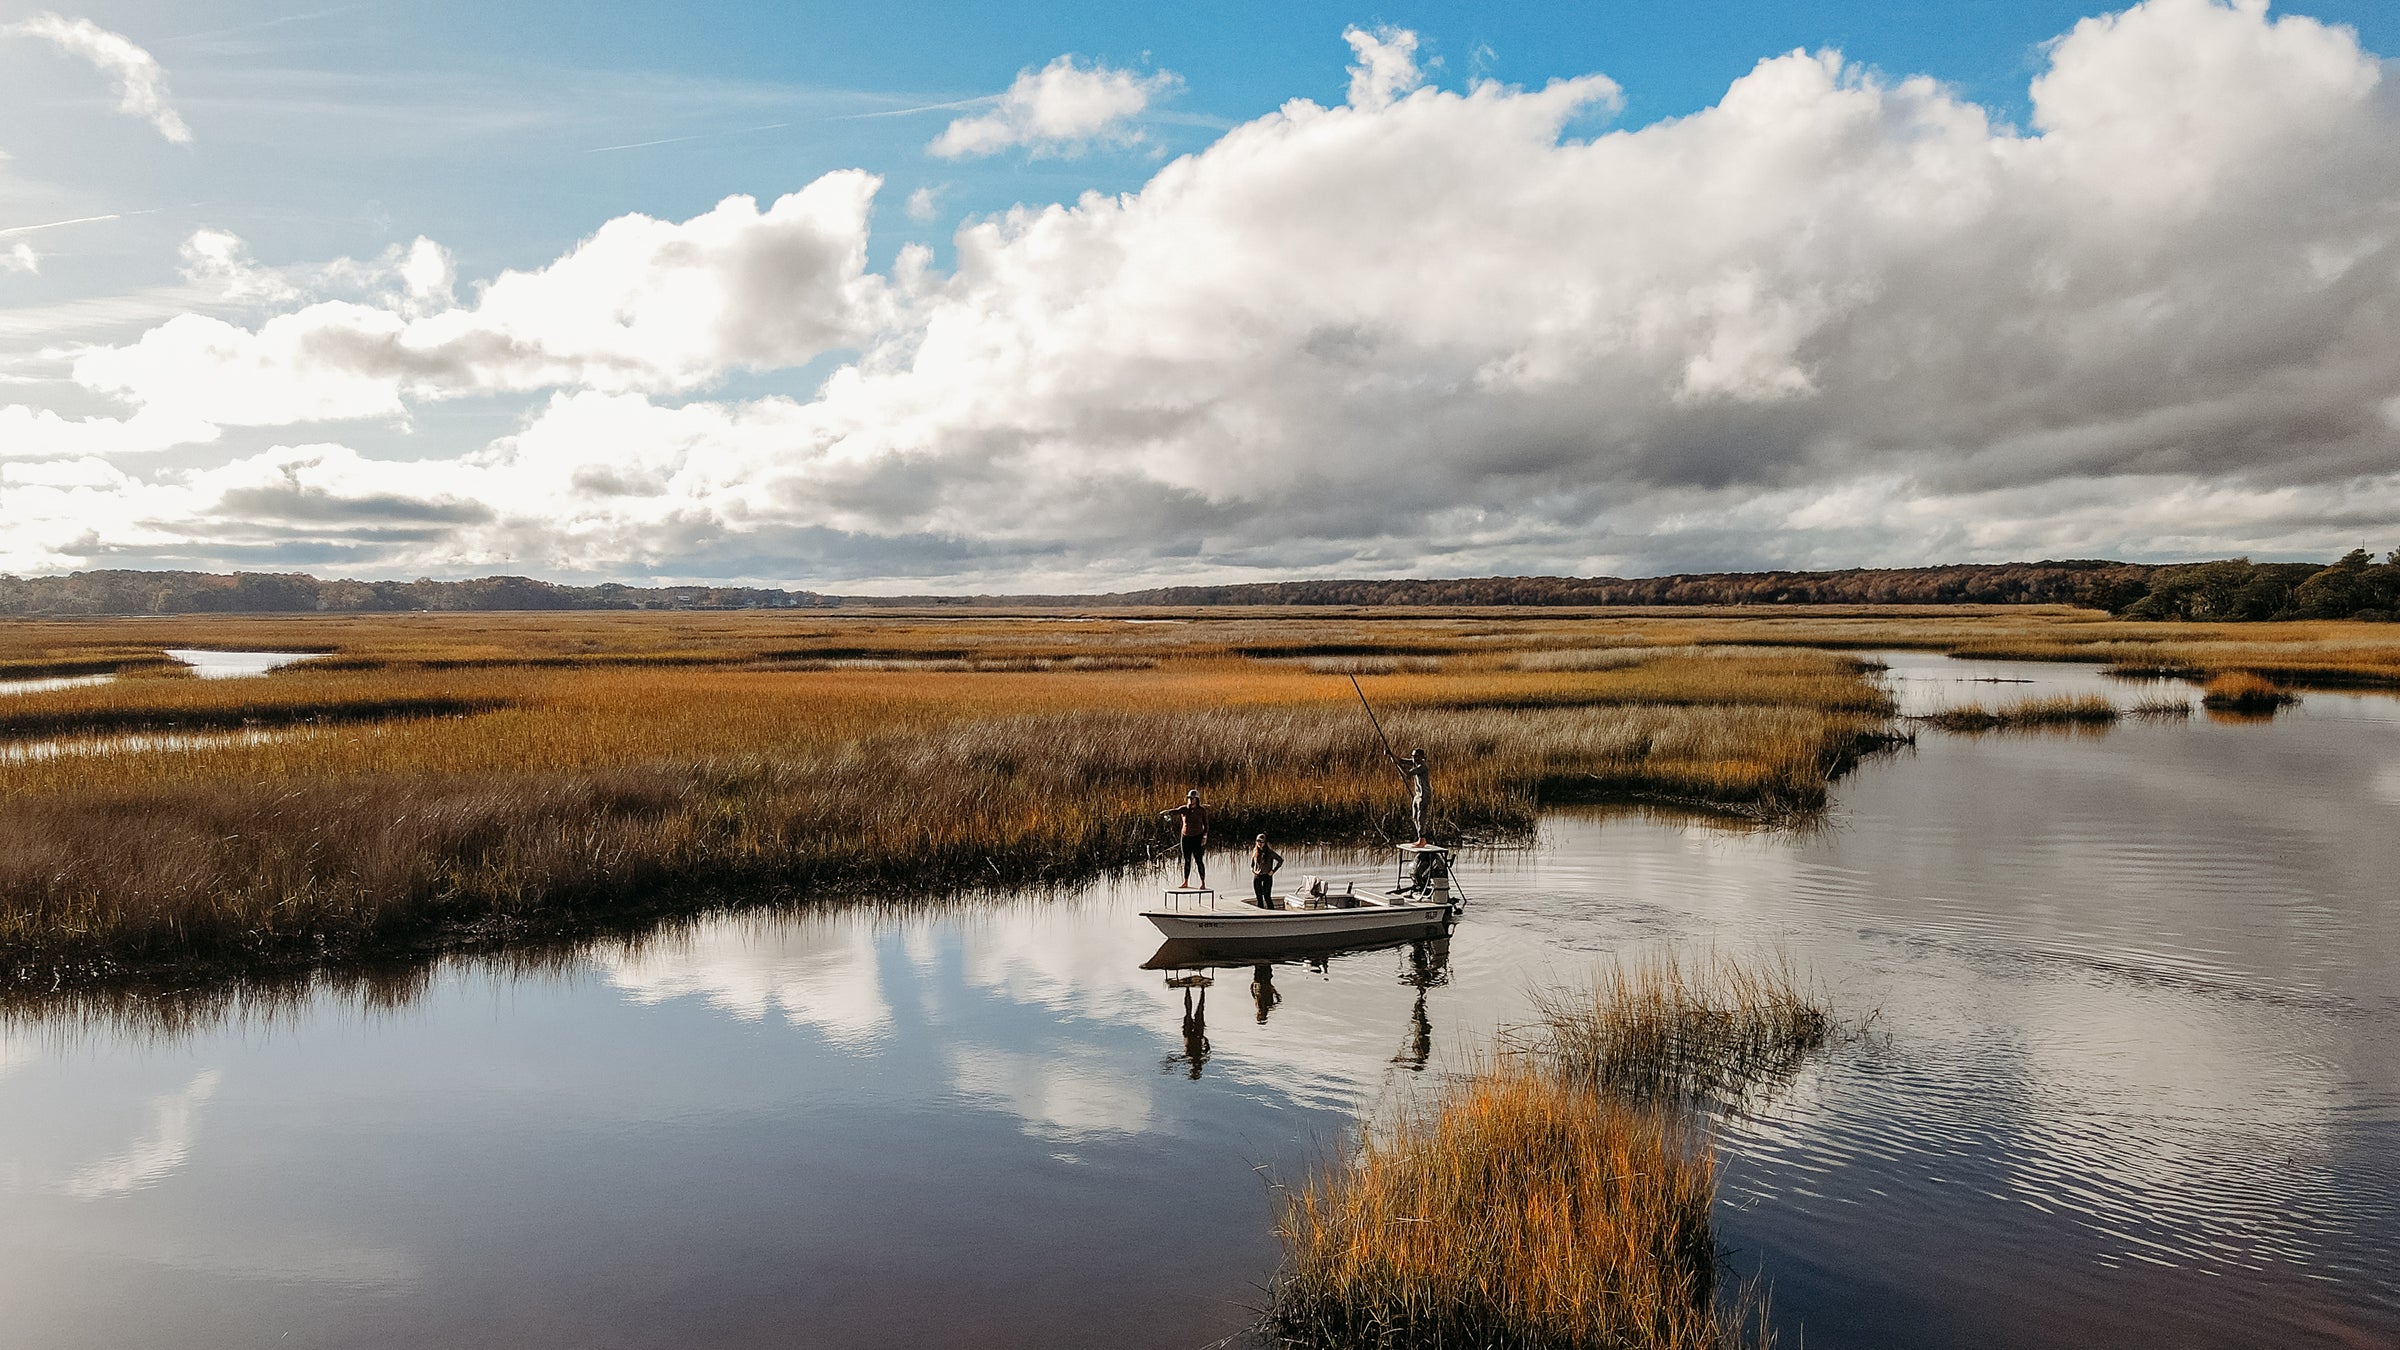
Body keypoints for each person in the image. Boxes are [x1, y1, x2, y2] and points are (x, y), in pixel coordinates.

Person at [1161, 789, 1210, 888]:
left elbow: (1206, 825)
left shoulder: (1201, 810)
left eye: (1192, 798)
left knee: (1199, 860)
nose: (1190, 800)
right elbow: (1175, 811)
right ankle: (1186, 881)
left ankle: (1203, 882)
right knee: (1187, 860)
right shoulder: (1184, 809)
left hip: (1198, 837)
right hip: (1186, 837)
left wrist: (1204, 836)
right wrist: (1166, 812)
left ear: (1197, 799)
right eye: (1189, 798)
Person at [1390, 746, 1431, 844]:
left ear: (1421, 757)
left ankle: (1423, 839)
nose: (1413, 758)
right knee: (1414, 816)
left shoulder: (1422, 766)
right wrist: (1390, 754)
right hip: (1418, 795)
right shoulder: (1415, 762)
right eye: (1412, 756)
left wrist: (1398, 765)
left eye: (1416, 756)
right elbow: (1401, 760)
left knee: (1421, 817)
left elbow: (1408, 774)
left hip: (1424, 795)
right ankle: (1420, 837)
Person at [1249, 833, 1283, 908]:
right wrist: (1252, 869)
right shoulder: (1255, 850)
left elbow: (1280, 860)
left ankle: (1271, 913)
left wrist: (1273, 871)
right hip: (1257, 876)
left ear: (1265, 843)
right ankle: (1260, 913)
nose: (1259, 843)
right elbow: (1252, 863)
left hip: (1267, 876)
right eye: (1258, 841)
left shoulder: (1269, 852)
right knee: (1259, 897)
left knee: (1267, 896)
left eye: (1261, 842)